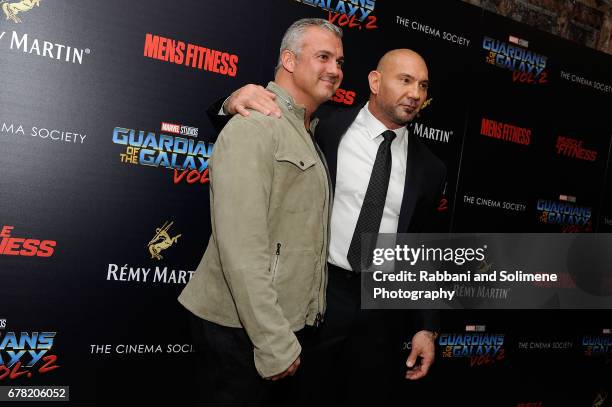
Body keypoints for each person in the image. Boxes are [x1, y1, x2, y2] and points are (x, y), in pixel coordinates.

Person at [212, 48, 447, 405]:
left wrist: (426, 326)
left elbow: (423, 250)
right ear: (375, 81)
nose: (415, 93)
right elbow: (247, 131)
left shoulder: (431, 168)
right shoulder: (324, 128)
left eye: (423, 85)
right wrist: (231, 101)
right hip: (318, 297)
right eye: (405, 80)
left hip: (382, 310)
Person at [178, 18, 344, 406]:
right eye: (323, 56)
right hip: (240, 330)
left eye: (339, 60)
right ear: (288, 59)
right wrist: (272, 341)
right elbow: (241, 246)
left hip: (278, 326)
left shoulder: (304, 129)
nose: (335, 69)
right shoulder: (254, 125)